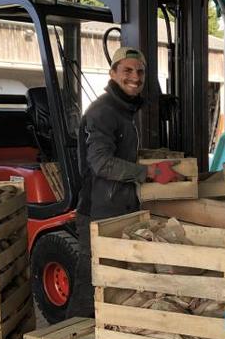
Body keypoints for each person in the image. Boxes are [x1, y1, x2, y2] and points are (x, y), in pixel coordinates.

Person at [66, 47, 183, 318]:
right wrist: (149, 173)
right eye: (127, 70)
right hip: (99, 214)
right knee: (91, 282)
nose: (135, 77)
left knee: (115, 283)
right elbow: (101, 163)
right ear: (113, 73)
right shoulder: (103, 112)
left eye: (140, 71)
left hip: (118, 210)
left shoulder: (122, 111)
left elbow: (118, 154)